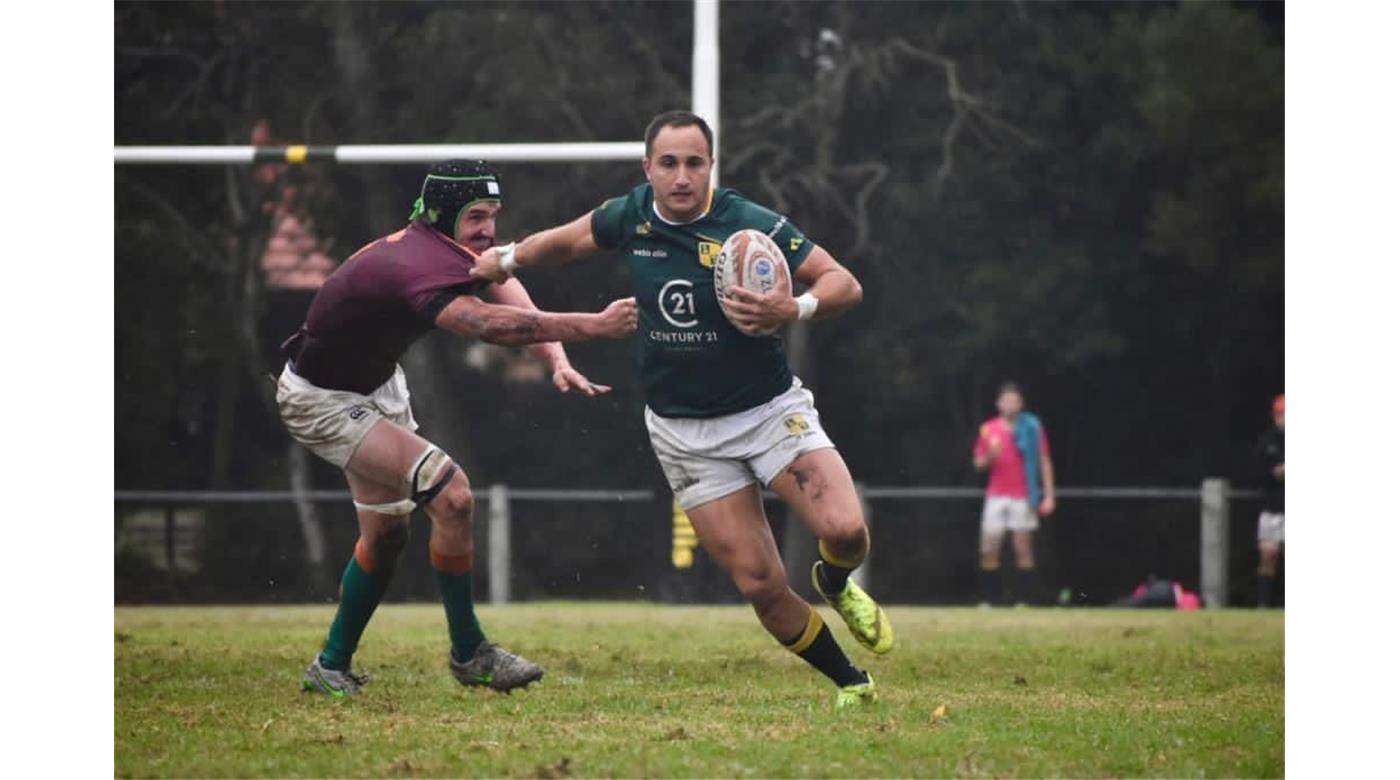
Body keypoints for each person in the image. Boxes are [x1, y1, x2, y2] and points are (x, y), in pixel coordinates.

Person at [470, 110, 892, 708]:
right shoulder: (631, 215)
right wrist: (506, 259)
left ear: (711, 167)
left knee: (845, 531)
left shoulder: (746, 223)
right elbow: (564, 241)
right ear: (648, 168)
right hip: (685, 433)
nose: (682, 176)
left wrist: (791, 309)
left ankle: (836, 578)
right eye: (668, 163)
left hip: (768, 412)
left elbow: (843, 282)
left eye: (695, 162)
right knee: (762, 585)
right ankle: (852, 682)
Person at [278, 159, 638, 697]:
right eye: (476, 216)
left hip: (374, 389)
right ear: (446, 216)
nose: (488, 229)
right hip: (323, 399)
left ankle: (329, 667)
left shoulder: (444, 244)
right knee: (454, 496)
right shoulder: (416, 264)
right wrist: (595, 327)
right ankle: (470, 652)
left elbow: (503, 282)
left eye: (493, 214)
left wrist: (557, 359)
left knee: (386, 537)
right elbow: (488, 324)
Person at [972, 381, 1056, 606]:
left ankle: (1024, 600)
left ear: (1021, 404)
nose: (1010, 404)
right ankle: (990, 599)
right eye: (1006, 400)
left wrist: (1049, 495)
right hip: (996, 495)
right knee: (990, 546)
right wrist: (991, 455)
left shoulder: (1032, 428)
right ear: (999, 404)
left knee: (1022, 546)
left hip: (1023, 495)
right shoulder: (988, 429)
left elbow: (1043, 461)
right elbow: (978, 464)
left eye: (1015, 401)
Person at [1253, 394, 1285, 608]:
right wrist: (1276, 473)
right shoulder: (1266, 442)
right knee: (1268, 556)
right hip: (1272, 509)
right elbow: (1255, 474)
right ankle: (1263, 604)